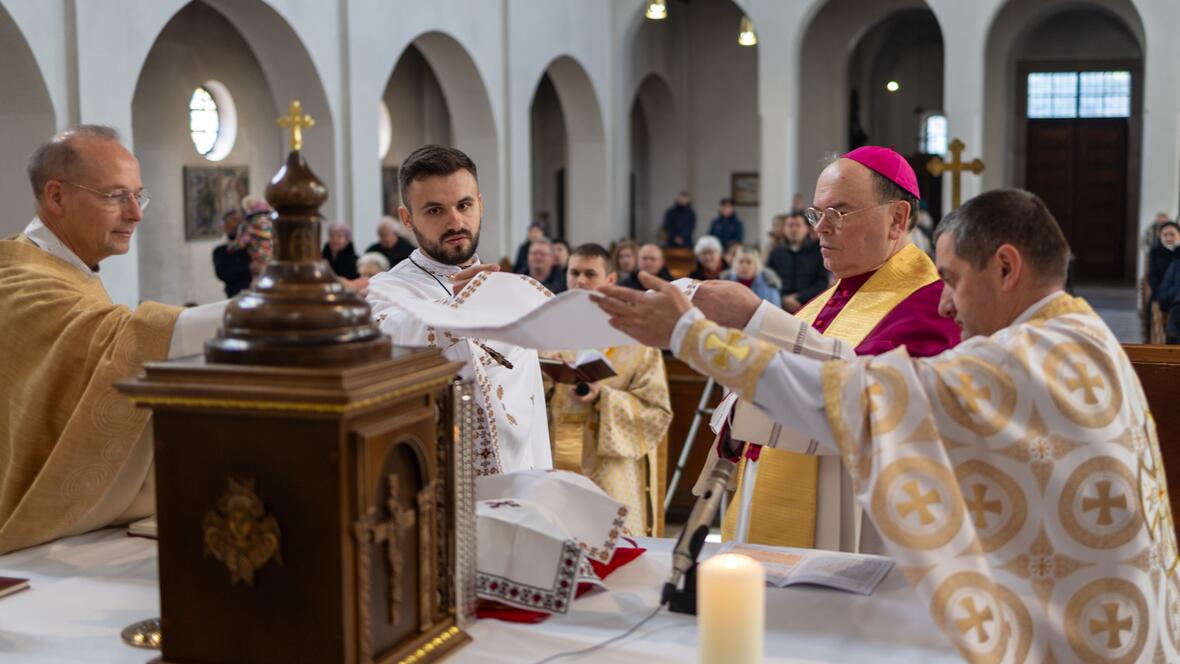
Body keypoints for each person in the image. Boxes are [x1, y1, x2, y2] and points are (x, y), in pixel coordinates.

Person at [596, 188, 1176, 664]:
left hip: (1073, 643)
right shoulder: (1080, 332)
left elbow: (847, 400)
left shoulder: (1019, 359)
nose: (945, 305)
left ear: (1005, 267)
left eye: (951, 279)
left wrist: (688, 335)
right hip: (1119, 624)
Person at [675, 146, 962, 552]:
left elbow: (861, 397)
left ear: (896, 219)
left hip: (849, 533)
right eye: (816, 214)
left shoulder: (929, 305)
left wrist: (756, 318)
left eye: (838, 213)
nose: (820, 229)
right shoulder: (825, 301)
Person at [0, 125, 224, 554]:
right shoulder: (19, 280)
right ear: (57, 197)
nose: (136, 213)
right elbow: (116, 341)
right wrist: (266, 312)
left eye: (138, 195)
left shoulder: (67, 270)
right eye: (114, 196)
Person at [366, 144, 551, 475]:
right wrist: (456, 308)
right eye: (435, 211)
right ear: (407, 218)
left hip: (520, 472)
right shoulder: (387, 289)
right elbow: (390, 334)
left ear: (480, 204)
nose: (456, 221)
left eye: (464, 205)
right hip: (442, 480)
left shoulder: (506, 292)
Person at [546, 243, 672, 535]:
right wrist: (546, 379)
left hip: (609, 466)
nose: (580, 281)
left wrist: (604, 397)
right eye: (574, 272)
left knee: (613, 549)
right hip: (553, 458)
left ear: (611, 280)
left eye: (590, 274)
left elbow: (656, 410)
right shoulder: (548, 329)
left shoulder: (635, 337)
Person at [766, 212, 829, 313]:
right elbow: (768, 281)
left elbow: (822, 282)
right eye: (790, 225)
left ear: (806, 228)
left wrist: (799, 297)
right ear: (784, 229)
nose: (794, 229)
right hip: (779, 306)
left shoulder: (817, 252)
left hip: (809, 306)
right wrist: (783, 299)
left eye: (798, 225)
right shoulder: (776, 253)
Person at [226, 194, 273, 277]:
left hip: (259, 263)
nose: (262, 220)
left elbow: (238, 245)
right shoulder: (272, 227)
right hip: (272, 262)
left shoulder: (249, 230)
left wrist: (231, 246)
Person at [212, 208, 252, 297]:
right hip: (235, 294)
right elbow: (223, 274)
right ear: (225, 225)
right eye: (233, 220)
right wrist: (248, 268)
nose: (237, 224)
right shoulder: (220, 250)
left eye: (240, 220)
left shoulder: (252, 246)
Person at [1147, 221, 1179, 297]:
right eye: (1165, 235)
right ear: (1160, 237)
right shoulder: (1155, 252)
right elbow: (1152, 277)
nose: (1168, 238)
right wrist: (1162, 293)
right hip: (1162, 294)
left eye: (1172, 234)